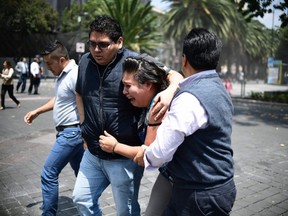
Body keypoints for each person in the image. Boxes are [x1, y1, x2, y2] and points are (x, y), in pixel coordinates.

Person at [72, 15, 183, 216]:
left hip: (123, 157)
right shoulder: (85, 62)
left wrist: (170, 91)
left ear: (119, 42)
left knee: (126, 211)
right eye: (92, 44)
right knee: (81, 199)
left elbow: (175, 75)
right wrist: (83, 126)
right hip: (92, 154)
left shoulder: (134, 61)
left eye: (103, 45)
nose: (96, 50)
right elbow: (79, 92)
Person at [134, 28, 236, 215]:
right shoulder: (220, 89)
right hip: (222, 186)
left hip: (198, 195)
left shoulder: (189, 98)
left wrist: (145, 153)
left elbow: (160, 153)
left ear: (184, 59)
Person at [99, 56, 175, 216]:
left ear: (148, 84)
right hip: (169, 175)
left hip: (184, 179)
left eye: (128, 86)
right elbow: (173, 75)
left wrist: (115, 147)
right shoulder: (151, 101)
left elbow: (147, 155)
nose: (123, 91)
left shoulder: (159, 106)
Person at [24, 40, 84, 216]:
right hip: (71, 133)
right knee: (82, 174)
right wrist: (37, 111)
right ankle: (90, 208)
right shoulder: (64, 75)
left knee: (48, 173)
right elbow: (59, 99)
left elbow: (87, 100)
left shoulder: (75, 74)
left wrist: (85, 132)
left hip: (71, 134)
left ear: (62, 59)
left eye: (50, 63)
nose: (47, 67)